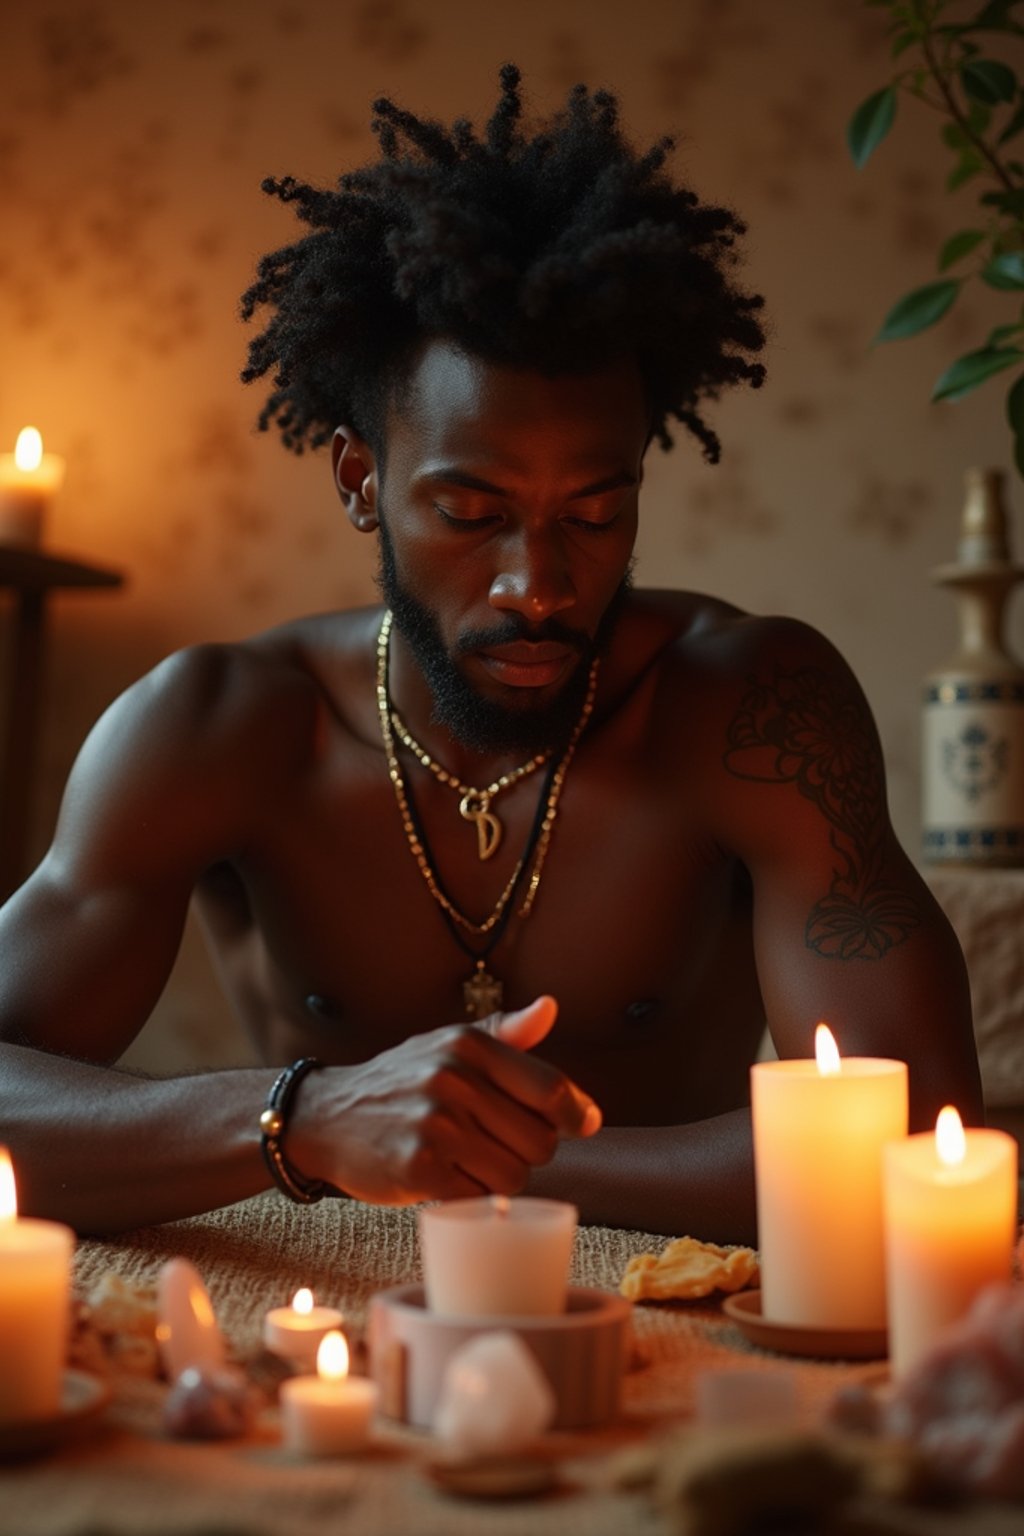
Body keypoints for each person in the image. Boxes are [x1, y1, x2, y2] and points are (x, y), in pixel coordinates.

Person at [0, 66, 981, 1240]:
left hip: (663, 1306)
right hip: (338, 1330)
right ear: (362, 484)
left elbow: (919, 1146)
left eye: (594, 514)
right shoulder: (220, 725)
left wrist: (463, 1158)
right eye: (471, 514)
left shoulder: (755, 711)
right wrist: (302, 1120)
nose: (539, 585)